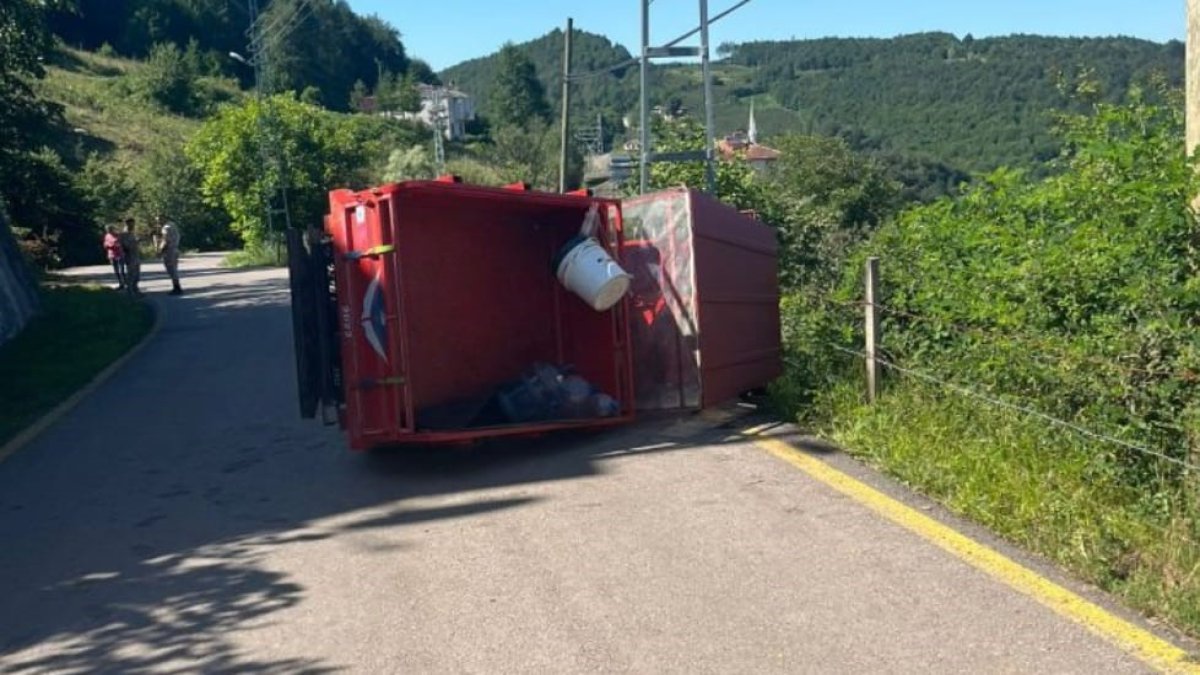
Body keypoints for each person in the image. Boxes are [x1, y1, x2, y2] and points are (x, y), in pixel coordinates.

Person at [156, 215, 183, 295]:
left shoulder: (165, 228)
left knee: (171, 269)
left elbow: (165, 241)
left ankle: (177, 287)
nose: (158, 222)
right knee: (174, 268)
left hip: (169, 250)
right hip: (175, 248)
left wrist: (160, 251)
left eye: (159, 220)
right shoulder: (173, 224)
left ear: (163, 219)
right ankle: (176, 286)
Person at [118, 218, 141, 296]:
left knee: (137, 275)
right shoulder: (124, 234)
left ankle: (135, 289)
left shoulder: (133, 233)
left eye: (133, 224)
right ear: (127, 224)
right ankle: (130, 291)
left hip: (136, 255)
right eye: (131, 224)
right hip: (129, 256)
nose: (133, 225)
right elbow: (125, 246)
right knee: (131, 274)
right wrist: (136, 242)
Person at [103, 224, 126, 290]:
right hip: (111, 255)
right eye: (107, 229)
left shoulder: (117, 235)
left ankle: (125, 283)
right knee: (116, 271)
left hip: (119, 254)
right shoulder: (107, 236)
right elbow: (105, 243)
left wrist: (117, 245)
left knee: (121, 270)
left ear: (112, 229)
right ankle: (120, 283)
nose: (108, 231)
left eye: (110, 229)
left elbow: (120, 243)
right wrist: (107, 245)